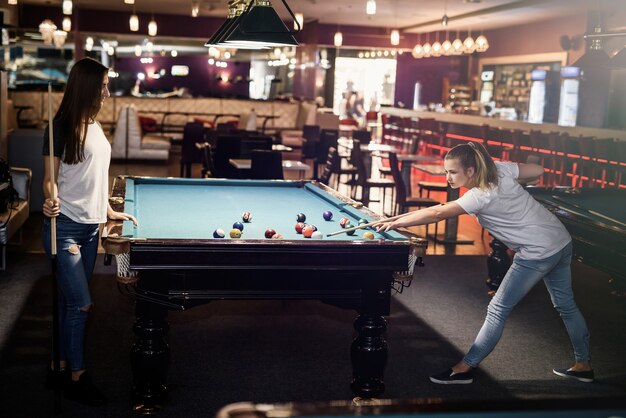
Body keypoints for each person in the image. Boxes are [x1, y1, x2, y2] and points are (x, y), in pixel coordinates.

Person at [376, 142, 593, 385]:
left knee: (498, 309)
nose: (447, 177)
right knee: (566, 305)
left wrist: (395, 224)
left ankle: (463, 369)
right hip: (560, 240)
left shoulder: (479, 196)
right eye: (446, 171)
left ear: (470, 171)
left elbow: (438, 213)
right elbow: (538, 171)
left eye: (453, 172)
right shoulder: (499, 169)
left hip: (537, 251)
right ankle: (583, 365)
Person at [42, 57, 138, 406]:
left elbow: (94, 179)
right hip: (63, 227)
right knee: (82, 305)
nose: (106, 91)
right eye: (102, 86)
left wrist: (109, 210)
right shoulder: (59, 128)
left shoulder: (96, 125)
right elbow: (50, 180)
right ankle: (77, 379)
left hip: (89, 229)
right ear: (87, 87)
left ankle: (57, 365)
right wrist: (50, 200)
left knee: (70, 303)